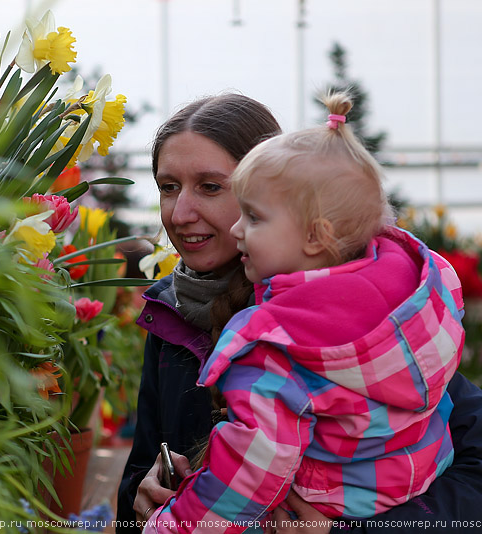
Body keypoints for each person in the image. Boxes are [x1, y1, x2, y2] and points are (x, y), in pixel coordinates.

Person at [116, 92, 482, 534]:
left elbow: (473, 472)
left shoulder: (358, 320)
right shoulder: (169, 315)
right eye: (168, 187)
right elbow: (139, 475)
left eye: (211, 187)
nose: (180, 212)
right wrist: (146, 494)